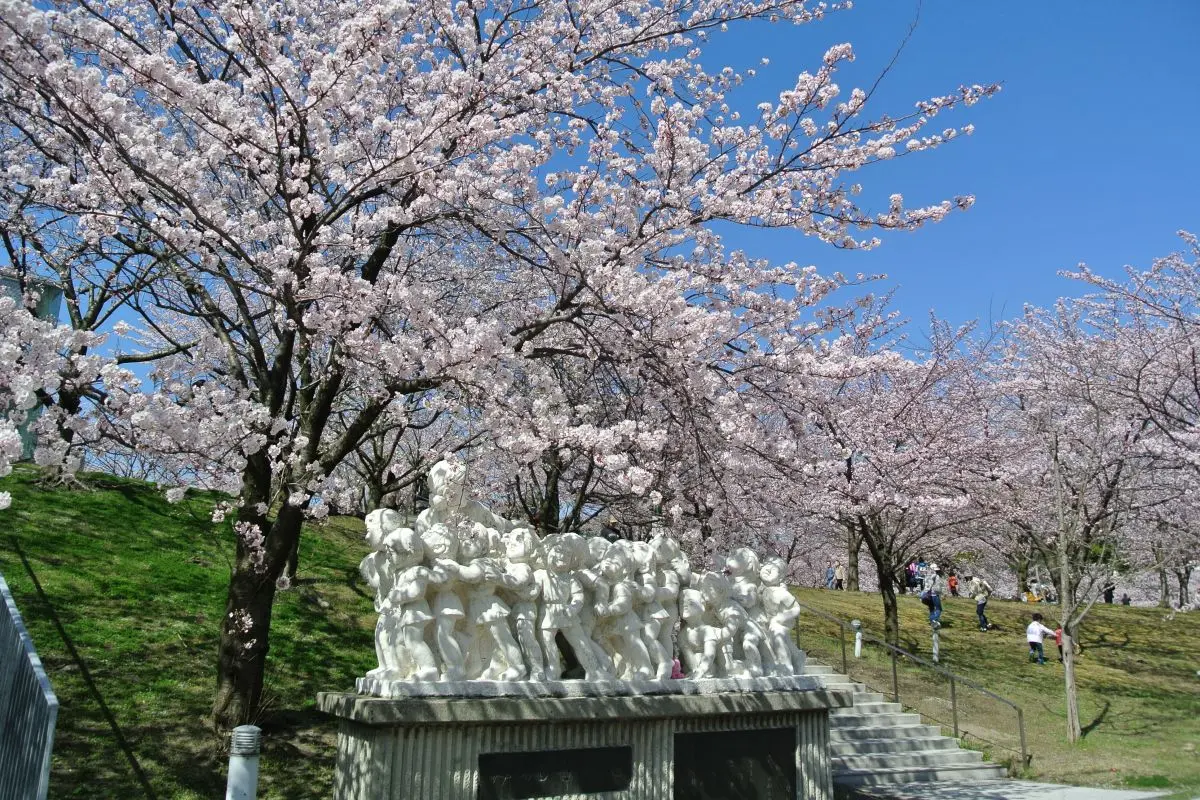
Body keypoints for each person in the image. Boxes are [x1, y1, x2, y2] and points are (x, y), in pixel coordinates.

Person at [922, 563, 945, 628]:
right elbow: (935, 586)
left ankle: (932, 621)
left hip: (927, 595)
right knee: (939, 609)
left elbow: (925, 584)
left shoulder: (927, 575)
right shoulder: (935, 576)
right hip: (934, 594)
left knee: (931, 608)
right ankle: (934, 620)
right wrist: (941, 593)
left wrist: (925, 592)